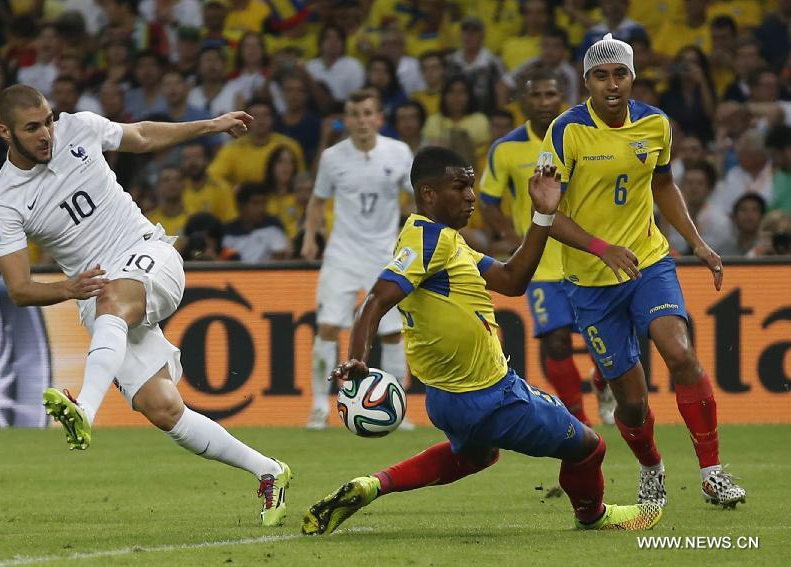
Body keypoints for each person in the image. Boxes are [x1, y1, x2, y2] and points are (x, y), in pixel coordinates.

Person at [300, 147, 663, 536]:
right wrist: (358, 358)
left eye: (472, 186)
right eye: (460, 186)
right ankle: (593, 516)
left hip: (446, 399)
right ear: (428, 194)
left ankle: (373, 485)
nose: (471, 196)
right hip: (491, 396)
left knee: (476, 455)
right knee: (590, 448)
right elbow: (375, 301)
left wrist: (543, 215)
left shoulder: (446, 241)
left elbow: (511, 280)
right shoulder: (428, 241)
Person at [0, 85, 291, 526]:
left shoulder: (80, 127)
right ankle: (269, 471)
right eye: (32, 128)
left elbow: (143, 135)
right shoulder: (2, 201)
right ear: (4, 132)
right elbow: (18, 288)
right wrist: (69, 289)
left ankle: (84, 409)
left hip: (149, 254)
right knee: (162, 408)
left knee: (110, 296)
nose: (47, 133)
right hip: (97, 292)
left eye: (48, 120)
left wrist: (211, 125)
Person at [540, 34, 746, 508]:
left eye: (621, 74)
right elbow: (547, 215)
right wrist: (600, 247)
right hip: (590, 279)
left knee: (680, 353)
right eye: (601, 76)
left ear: (633, 77)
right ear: (586, 82)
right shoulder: (566, 131)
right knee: (631, 402)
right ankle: (652, 468)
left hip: (647, 261)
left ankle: (713, 473)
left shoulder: (655, 124)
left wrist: (697, 243)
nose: (612, 84)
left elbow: (664, 183)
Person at [481, 68, 615, 427]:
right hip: (541, 265)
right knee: (555, 342)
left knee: (604, 341)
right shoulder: (506, 149)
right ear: (523, 102)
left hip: (586, 257)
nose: (544, 103)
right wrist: (511, 236)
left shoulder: (585, 138)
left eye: (550, 95)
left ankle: (603, 380)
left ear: (563, 98)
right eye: (536, 96)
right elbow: (488, 200)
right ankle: (580, 420)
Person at [301, 89, 414, 430]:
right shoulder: (334, 158)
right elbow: (318, 202)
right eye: (354, 114)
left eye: (367, 113)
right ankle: (320, 404)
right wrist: (310, 236)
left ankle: (398, 403)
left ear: (379, 118)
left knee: (392, 333)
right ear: (346, 120)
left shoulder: (399, 152)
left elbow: (412, 199)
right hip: (343, 252)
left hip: (386, 254)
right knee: (328, 328)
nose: (361, 120)